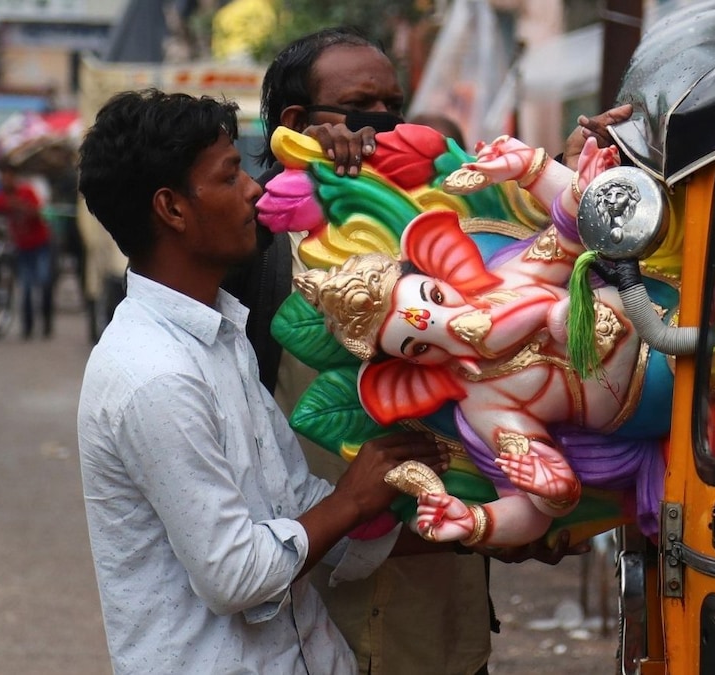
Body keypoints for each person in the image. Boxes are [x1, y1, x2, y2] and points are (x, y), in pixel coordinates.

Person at [227, 25, 634, 675]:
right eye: (366, 104)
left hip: (456, 614)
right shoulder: (263, 256)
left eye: (396, 105)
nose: (385, 121)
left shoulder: (435, 232)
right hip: (339, 625)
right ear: (300, 121)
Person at [75, 88, 447, 674]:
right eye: (230, 177)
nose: (253, 189)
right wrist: (353, 498)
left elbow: (300, 509)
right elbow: (234, 575)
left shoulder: (220, 338)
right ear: (171, 209)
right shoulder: (153, 373)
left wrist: (481, 524)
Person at [0, 159, 53, 338]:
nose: (5, 181)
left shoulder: (26, 192)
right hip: (22, 248)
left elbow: (38, 212)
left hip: (40, 244)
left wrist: (20, 206)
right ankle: (27, 328)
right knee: (26, 287)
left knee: (44, 283)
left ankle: (46, 323)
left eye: (7, 176)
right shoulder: (1, 197)